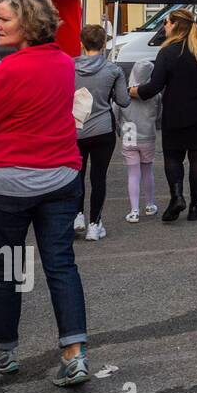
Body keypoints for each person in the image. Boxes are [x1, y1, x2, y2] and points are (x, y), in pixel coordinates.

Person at [0, 0, 89, 386]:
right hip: (60, 176)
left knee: (6, 267)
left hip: (8, 181)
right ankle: (73, 354)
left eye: (4, 18)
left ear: (29, 22)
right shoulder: (66, 65)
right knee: (61, 264)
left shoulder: (9, 70)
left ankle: (2, 350)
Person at [131, 8, 197, 223]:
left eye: (166, 23)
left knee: (173, 157)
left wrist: (133, 91)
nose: (164, 27)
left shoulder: (168, 52)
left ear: (175, 25)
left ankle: (177, 197)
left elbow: (154, 86)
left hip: (177, 113)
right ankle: (196, 206)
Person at [74, 24, 130, 241]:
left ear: (82, 43)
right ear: (104, 43)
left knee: (76, 175)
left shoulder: (69, 67)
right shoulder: (113, 70)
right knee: (99, 177)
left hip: (76, 129)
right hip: (102, 129)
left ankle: (77, 216)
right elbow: (123, 101)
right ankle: (95, 225)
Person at [118, 59, 160, 223]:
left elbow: (116, 111)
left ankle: (134, 210)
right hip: (147, 134)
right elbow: (159, 114)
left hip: (129, 133)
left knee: (133, 174)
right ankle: (150, 205)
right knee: (147, 171)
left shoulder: (124, 93)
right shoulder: (155, 95)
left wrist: (118, 129)